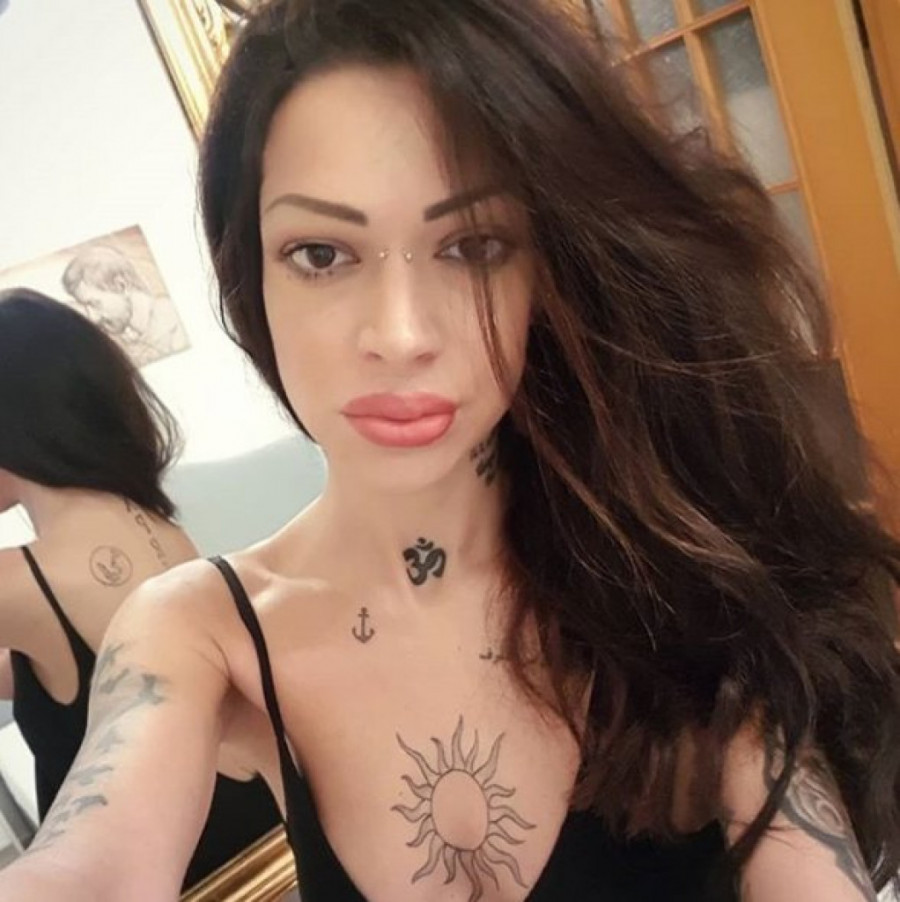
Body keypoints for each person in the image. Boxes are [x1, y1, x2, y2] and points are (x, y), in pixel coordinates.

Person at [1, 0, 899, 899]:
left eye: (473, 245)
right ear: (252, 275)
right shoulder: (201, 631)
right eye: (321, 254)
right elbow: (88, 867)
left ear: (549, 270)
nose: (400, 336)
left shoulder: (677, 564)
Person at [0, 289, 280, 890]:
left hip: (164, 861)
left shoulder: (22, 581)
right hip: (248, 816)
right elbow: (85, 666)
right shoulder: (154, 523)